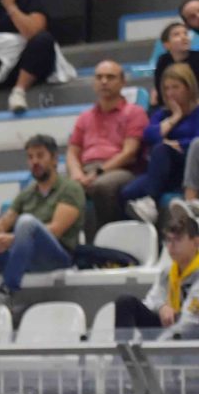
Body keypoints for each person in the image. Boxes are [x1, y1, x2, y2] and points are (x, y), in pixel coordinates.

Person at [0, 134, 83, 305]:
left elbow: (56, 230)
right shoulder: (27, 193)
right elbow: (2, 225)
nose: (34, 161)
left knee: (26, 222)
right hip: (22, 255)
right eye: (30, 157)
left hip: (55, 257)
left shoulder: (70, 188)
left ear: (54, 159)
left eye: (40, 155)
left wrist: (14, 239)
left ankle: (8, 289)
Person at [67, 61, 149, 238]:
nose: (104, 81)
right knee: (60, 187)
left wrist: (99, 172)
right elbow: (73, 151)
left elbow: (129, 152)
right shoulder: (85, 116)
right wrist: (76, 173)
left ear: (123, 82)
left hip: (121, 169)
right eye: (99, 77)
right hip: (86, 169)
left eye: (110, 77)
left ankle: (108, 240)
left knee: (101, 186)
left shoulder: (134, 112)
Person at [124, 64, 199, 224]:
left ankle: (150, 200)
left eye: (175, 87)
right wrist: (175, 116)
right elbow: (148, 135)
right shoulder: (163, 113)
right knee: (127, 192)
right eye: (166, 88)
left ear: (189, 88)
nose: (170, 93)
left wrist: (174, 143)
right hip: (162, 169)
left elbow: (195, 142)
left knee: (162, 149)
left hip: (188, 168)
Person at [114, 208, 199, 340]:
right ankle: (122, 351)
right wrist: (162, 307)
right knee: (126, 302)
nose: (171, 246)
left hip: (192, 336)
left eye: (178, 239)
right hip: (170, 329)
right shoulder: (168, 273)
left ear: (196, 242)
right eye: (168, 240)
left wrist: (158, 345)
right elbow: (151, 301)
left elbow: (190, 323)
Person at [155, 23, 199, 109]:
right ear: (167, 45)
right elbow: (160, 90)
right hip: (171, 105)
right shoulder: (163, 61)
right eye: (176, 35)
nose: (184, 37)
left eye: (185, 34)